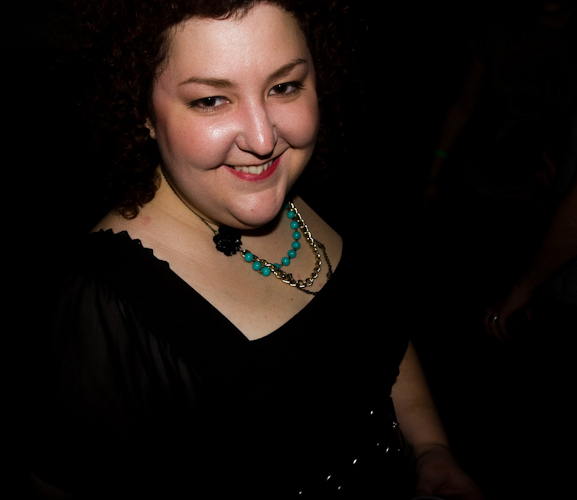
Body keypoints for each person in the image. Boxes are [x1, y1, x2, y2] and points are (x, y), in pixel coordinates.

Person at [28, 1, 483, 498]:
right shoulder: (103, 305)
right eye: (211, 100)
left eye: (284, 87)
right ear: (143, 112)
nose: (264, 140)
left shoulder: (315, 188)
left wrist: (430, 447)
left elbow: (382, 335)